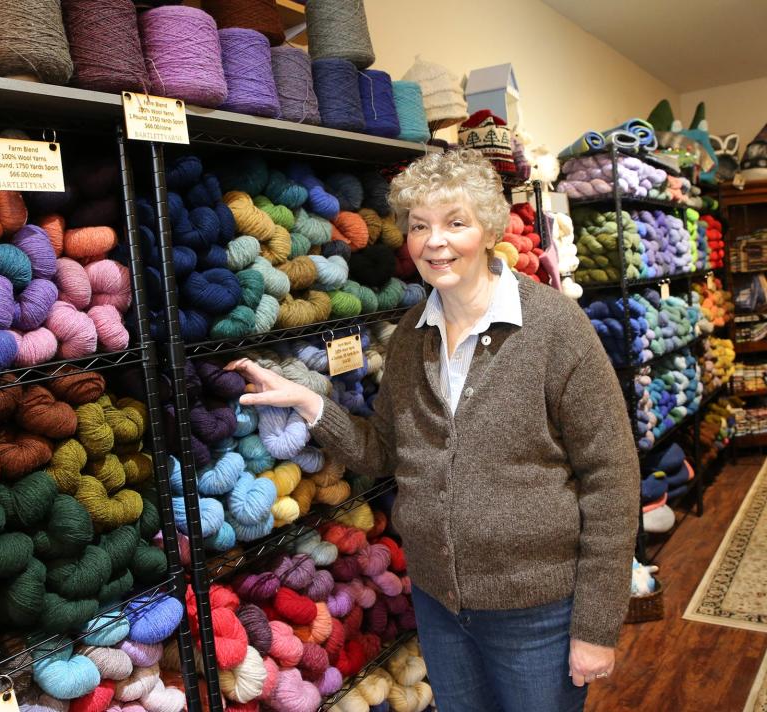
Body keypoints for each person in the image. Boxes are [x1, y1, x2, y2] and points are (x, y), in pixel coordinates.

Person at [227, 148, 640, 711]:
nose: (434, 241)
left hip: (537, 610)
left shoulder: (554, 327)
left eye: (455, 222)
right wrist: (311, 404)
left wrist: (595, 624)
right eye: (419, 226)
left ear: (490, 228)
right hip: (440, 605)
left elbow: (612, 478)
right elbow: (384, 451)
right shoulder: (409, 339)